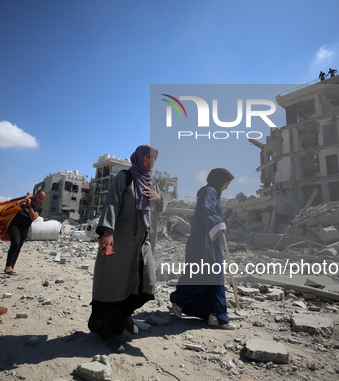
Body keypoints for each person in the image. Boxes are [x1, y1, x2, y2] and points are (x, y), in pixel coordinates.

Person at [89, 145, 164, 353]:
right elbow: (111, 203)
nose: (152, 161)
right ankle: (113, 331)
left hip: (143, 242)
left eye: (155, 158)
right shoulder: (124, 177)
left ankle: (125, 315)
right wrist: (107, 231)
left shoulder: (152, 181)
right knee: (115, 284)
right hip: (120, 241)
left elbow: (158, 208)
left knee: (146, 281)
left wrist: (159, 199)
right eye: (149, 157)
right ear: (139, 157)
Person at [170, 168, 237, 330]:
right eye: (226, 184)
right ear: (219, 181)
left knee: (215, 276)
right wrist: (218, 224)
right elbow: (209, 210)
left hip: (211, 242)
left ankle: (215, 315)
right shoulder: (209, 191)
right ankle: (179, 300)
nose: (226, 187)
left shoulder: (213, 193)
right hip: (203, 242)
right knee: (205, 274)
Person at [4, 190, 46, 274]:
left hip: (25, 228)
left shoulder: (38, 208)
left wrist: (30, 206)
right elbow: (20, 204)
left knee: (18, 246)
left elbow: (33, 217)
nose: (40, 200)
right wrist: (27, 198)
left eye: (42, 199)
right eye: (39, 197)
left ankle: (11, 267)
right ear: (35, 195)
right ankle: (8, 266)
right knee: (15, 243)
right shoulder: (25, 200)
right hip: (14, 225)